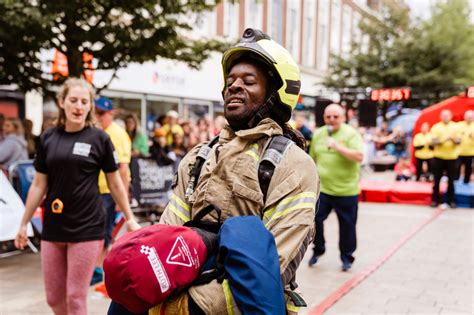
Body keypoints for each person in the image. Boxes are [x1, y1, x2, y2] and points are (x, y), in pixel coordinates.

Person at [109, 28, 319, 315]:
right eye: (230, 81)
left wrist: (195, 306)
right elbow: (170, 233)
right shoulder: (198, 156)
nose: (234, 86)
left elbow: (275, 261)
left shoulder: (293, 165)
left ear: (275, 93)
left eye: (249, 81)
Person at [14, 77, 140, 315]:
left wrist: (129, 216)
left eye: (84, 102)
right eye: (73, 100)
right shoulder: (48, 138)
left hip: (87, 226)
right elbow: (39, 185)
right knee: (54, 298)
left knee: (75, 297)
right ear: (62, 102)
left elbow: (114, 182)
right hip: (53, 225)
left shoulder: (99, 138)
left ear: (90, 106)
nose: (78, 106)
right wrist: (23, 223)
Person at [308, 103, 364, 271]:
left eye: (335, 116)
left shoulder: (351, 134)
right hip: (323, 189)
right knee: (315, 219)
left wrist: (338, 146)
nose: (331, 120)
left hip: (346, 190)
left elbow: (359, 156)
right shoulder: (318, 134)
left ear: (343, 117)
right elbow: (312, 158)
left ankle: (347, 257)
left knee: (347, 226)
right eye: (328, 117)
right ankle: (318, 249)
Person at [92, 97, 136, 285]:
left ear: (111, 114)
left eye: (102, 113)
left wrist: (122, 197)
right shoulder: (97, 131)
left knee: (105, 231)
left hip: (109, 191)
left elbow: (123, 168)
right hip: (97, 189)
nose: (98, 117)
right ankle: (97, 268)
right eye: (96, 112)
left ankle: (99, 270)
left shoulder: (117, 134)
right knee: (98, 230)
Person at [430, 109, 461, 208]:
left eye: (447, 115)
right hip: (438, 157)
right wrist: (444, 139)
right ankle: (435, 200)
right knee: (436, 180)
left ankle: (451, 201)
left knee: (451, 181)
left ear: (451, 116)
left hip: (452, 157)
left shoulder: (456, 126)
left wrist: (452, 139)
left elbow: (459, 141)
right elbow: (433, 142)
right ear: (440, 116)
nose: (445, 117)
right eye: (443, 115)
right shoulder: (436, 127)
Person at [457, 110, 473, 184]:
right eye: (468, 117)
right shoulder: (459, 125)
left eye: (471, 117)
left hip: (470, 152)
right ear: (464, 117)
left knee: (468, 168)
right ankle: (455, 180)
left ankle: (466, 181)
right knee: (457, 167)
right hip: (459, 152)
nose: (469, 118)